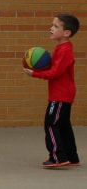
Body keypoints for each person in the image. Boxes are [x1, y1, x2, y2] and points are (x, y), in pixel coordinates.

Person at [23, 13, 80, 168]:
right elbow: (55, 69)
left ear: (67, 33)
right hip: (63, 93)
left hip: (60, 95)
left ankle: (57, 157)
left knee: (51, 124)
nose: (51, 28)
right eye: (52, 25)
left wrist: (34, 73)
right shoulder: (62, 48)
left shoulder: (64, 50)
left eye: (55, 26)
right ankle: (71, 157)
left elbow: (54, 73)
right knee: (63, 125)